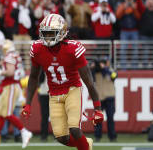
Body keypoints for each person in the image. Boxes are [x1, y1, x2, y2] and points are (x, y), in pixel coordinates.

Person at [22, 13, 104, 150]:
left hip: (72, 90)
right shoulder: (37, 49)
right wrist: (28, 103)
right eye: (45, 33)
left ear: (62, 33)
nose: (47, 37)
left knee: (74, 129)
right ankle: (86, 145)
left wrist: (97, 108)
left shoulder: (73, 48)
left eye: (51, 33)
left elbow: (88, 81)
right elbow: (34, 77)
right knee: (61, 137)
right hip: (54, 94)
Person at [0, 40, 32, 148]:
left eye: (2, 47)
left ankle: (24, 132)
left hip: (11, 86)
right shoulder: (14, 55)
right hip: (9, 86)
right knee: (0, 113)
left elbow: (10, 72)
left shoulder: (10, 56)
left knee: (7, 113)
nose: (1, 49)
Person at [91, 59, 117, 142]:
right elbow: (89, 77)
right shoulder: (95, 72)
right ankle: (97, 136)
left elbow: (114, 76)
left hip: (109, 97)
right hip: (99, 98)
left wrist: (105, 68)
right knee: (98, 119)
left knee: (110, 118)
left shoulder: (110, 70)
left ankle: (112, 137)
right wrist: (93, 67)